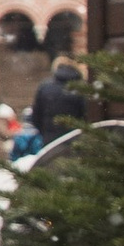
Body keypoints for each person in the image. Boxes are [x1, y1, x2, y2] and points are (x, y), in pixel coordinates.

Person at [30, 13, 87, 148]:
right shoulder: (81, 88)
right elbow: (86, 115)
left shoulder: (45, 87)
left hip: (50, 142)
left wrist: (46, 132)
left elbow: (36, 117)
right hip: (75, 143)